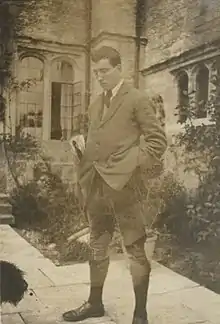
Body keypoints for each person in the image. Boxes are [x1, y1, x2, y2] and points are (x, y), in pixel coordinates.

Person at [62, 46, 167, 324]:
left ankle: (140, 314)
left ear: (119, 68)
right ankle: (94, 303)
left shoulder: (136, 98)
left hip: (127, 188)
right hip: (97, 186)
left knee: (134, 248)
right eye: (96, 72)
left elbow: (157, 141)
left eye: (105, 71)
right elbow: (97, 139)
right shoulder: (96, 103)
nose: (100, 77)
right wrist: (79, 142)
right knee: (98, 244)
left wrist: (132, 164)